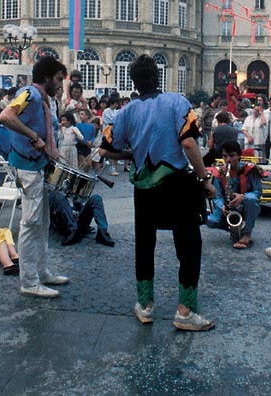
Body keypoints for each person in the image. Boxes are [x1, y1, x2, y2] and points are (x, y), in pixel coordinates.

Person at [100, 53, 217, 331]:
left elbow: (104, 149)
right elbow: (188, 144)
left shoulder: (124, 112)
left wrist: (132, 152)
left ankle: (145, 306)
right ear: (158, 77)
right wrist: (205, 179)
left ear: (134, 82)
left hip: (144, 188)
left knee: (145, 243)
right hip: (178, 185)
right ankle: (185, 312)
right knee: (188, 245)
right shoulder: (178, 102)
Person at [0, 56, 70, 299]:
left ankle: (42, 271)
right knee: (30, 224)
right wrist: (33, 136)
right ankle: (29, 281)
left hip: (39, 165)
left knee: (43, 222)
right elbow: (6, 116)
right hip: (28, 167)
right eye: (59, 79)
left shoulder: (45, 99)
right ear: (47, 77)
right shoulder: (29, 94)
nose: (61, 84)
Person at [206, 141, 262, 249]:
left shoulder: (250, 170)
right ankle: (234, 228)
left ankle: (247, 234)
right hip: (228, 207)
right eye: (225, 156)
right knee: (209, 221)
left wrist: (243, 196)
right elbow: (216, 195)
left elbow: (258, 192)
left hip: (245, 204)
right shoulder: (220, 172)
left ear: (239, 155)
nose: (228, 160)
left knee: (251, 199)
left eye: (232, 156)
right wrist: (222, 206)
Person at [48, 190, 115, 247]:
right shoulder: (53, 194)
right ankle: (73, 231)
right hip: (65, 223)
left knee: (96, 198)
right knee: (58, 196)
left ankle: (102, 232)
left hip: (78, 220)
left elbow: (79, 205)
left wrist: (77, 197)